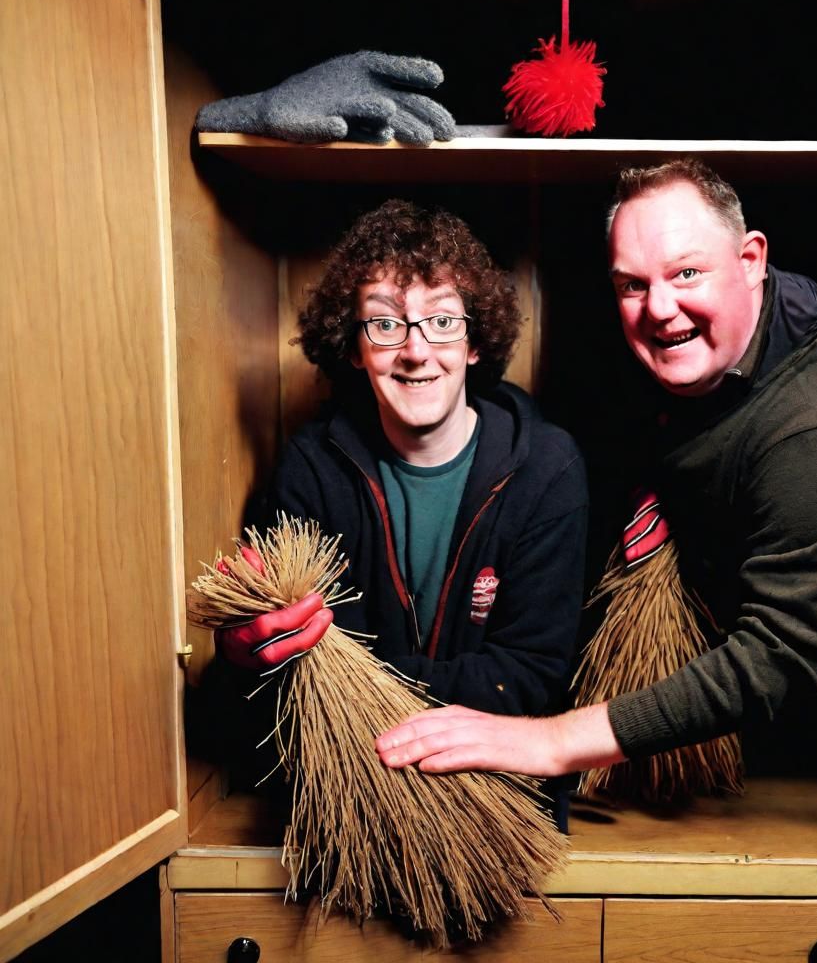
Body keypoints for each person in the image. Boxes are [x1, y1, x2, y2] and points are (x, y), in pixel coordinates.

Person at [375, 157, 817, 779]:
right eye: (632, 285)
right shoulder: (671, 356)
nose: (661, 309)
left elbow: (782, 654)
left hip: (785, 773)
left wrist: (553, 742)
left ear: (751, 261)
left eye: (687, 272)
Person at [217, 199, 588, 776]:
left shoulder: (547, 468)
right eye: (386, 324)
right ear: (354, 348)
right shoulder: (310, 471)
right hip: (351, 773)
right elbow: (292, 679)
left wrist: (358, 679)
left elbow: (531, 676)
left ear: (474, 342)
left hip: (500, 779)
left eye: (442, 321)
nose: (416, 351)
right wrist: (245, 645)